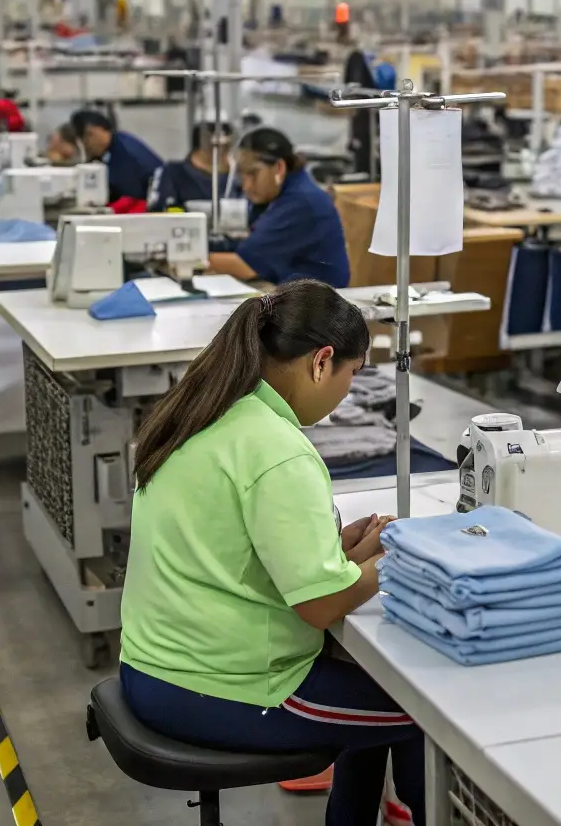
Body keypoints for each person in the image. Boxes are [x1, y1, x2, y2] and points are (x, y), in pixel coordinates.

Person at [119, 281, 423, 826]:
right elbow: (322, 607)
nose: (347, 394)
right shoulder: (278, 450)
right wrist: (404, 553)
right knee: (426, 714)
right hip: (228, 686)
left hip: (157, 667)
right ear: (321, 361)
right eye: (352, 376)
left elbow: (236, 552)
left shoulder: (210, 414)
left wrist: (340, 553)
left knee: (373, 703)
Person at [208, 126, 350, 287]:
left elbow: (243, 264)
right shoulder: (281, 193)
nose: (246, 185)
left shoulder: (301, 201)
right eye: (242, 175)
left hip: (318, 304)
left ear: (279, 168)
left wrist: (187, 259)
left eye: (253, 174)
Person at [69, 108, 163, 202]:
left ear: (95, 131)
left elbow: (129, 198)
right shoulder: (114, 146)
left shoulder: (126, 155)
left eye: (87, 138)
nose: (87, 147)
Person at [150, 120, 233, 211]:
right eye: (220, 147)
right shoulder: (172, 174)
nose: (224, 153)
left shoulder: (237, 178)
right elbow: (158, 212)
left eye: (227, 147)